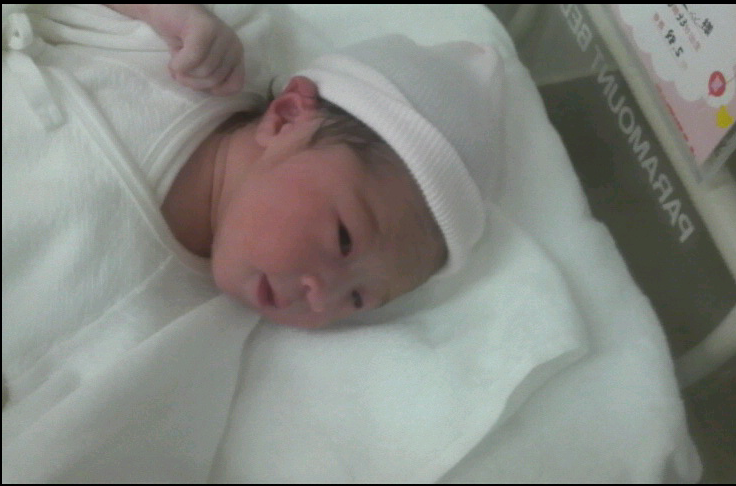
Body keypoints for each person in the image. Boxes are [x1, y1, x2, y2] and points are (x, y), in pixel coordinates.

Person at [3, 4, 504, 334]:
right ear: (287, 118)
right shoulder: (186, 58)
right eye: (344, 239)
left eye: (357, 299)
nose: (321, 297)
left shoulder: (182, 333)